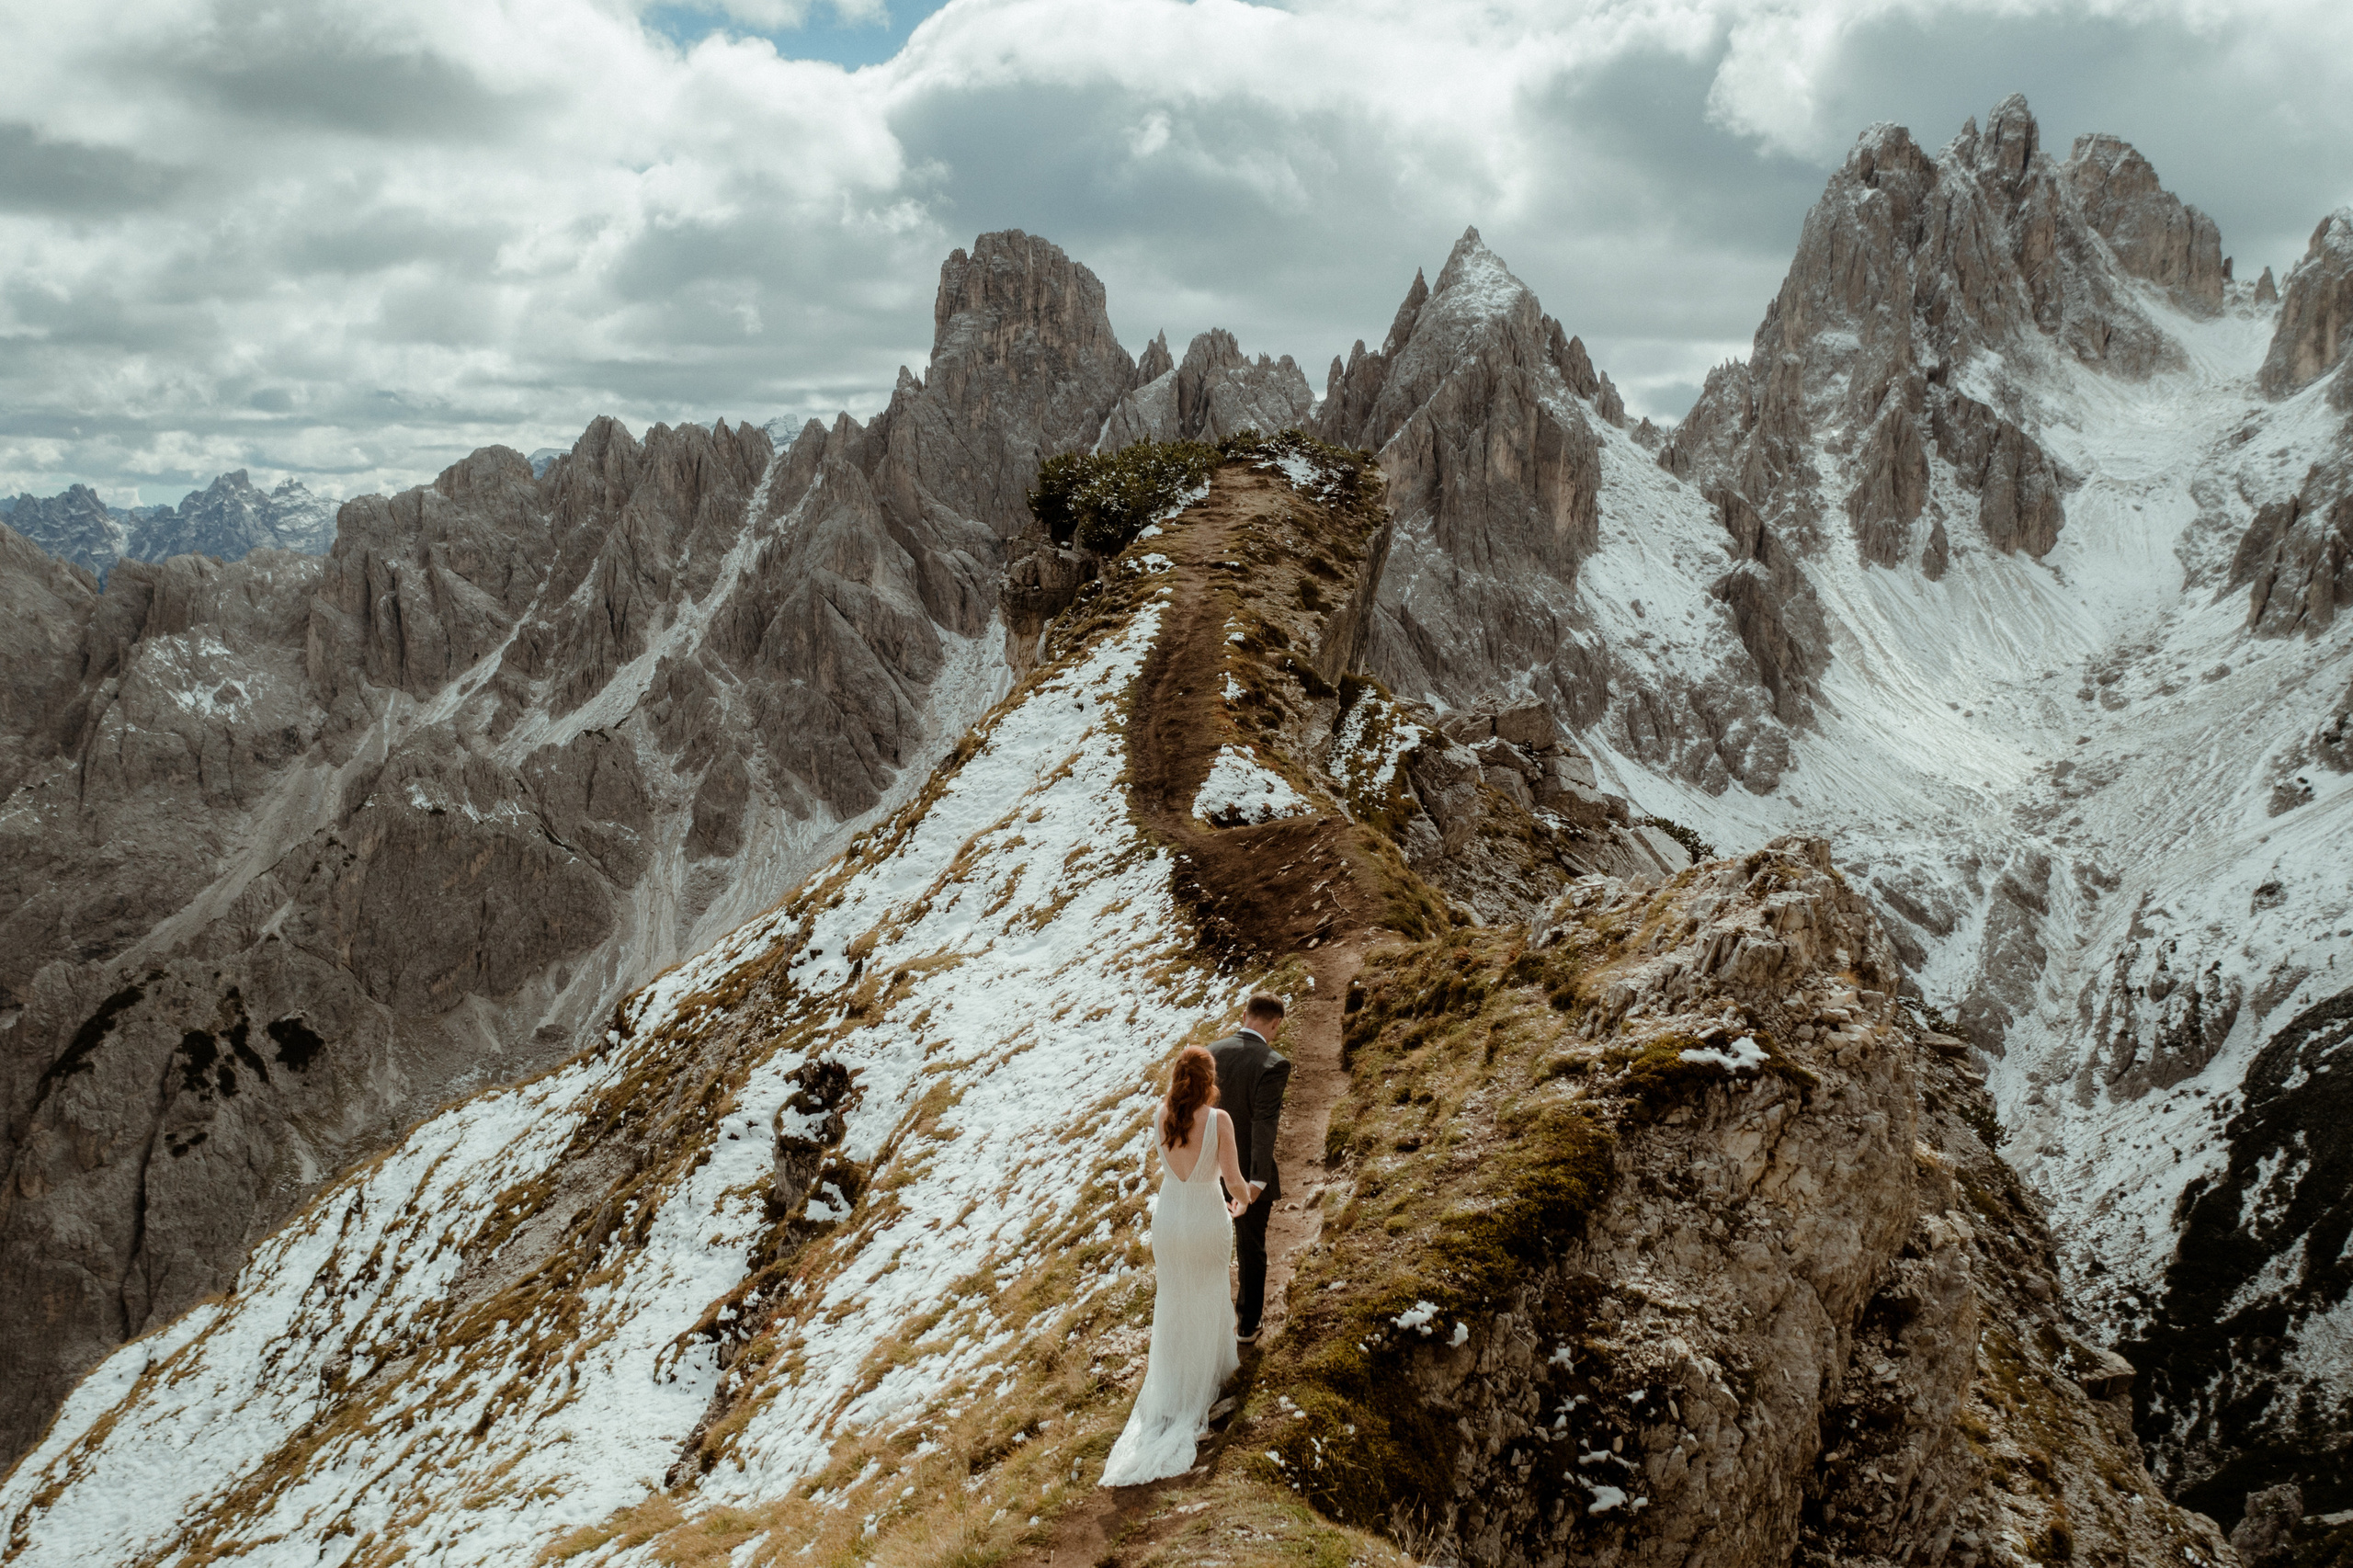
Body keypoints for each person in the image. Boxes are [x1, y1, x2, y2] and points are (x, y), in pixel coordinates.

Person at [1099, 1044, 1252, 1486]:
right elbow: (1234, 1180)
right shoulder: (1219, 1121)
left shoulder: (1159, 1114)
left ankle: (1174, 1387)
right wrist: (1244, 1202)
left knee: (1175, 1298)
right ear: (1209, 1078)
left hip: (1169, 1216)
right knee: (1207, 1293)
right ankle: (1206, 1381)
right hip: (1205, 1214)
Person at [1209, 994, 1290, 1343]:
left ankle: (1208, 1320)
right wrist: (1255, 1182)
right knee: (1250, 1246)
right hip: (1243, 1172)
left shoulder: (1211, 1052)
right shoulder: (1273, 1062)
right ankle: (1247, 1324)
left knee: (1208, 1243)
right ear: (1275, 1024)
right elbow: (1264, 1124)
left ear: (1244, 1016)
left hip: (1207, 1168)